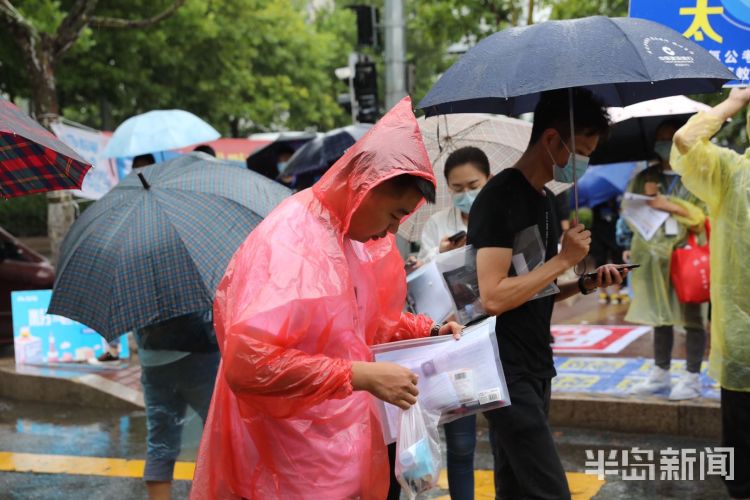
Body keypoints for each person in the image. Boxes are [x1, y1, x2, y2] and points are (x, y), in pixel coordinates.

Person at [190, 97, 462, 499]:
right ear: (367, 187)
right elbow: (248, 363)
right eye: (394, 214)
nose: (391, 231)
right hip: (287, 461)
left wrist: (431, 331)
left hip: (339, 445)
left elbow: (369, 321)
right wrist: (359, 374)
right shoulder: (290, 240)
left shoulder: (353, 239)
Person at [468, 88, 625, 499]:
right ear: (552, 140)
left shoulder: (545, 201)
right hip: (502, 368)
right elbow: (494, 297)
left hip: (536, 364)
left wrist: (585, 282)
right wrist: (562, 260)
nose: (584, 163)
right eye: (582, 151)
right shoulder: (500, 197)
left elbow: (536, 290)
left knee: (517, 487)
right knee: (551, 490)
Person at [671, 87, 750, 499]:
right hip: (742, 338)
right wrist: (733, 104)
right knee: (742, 451)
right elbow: (685, 142)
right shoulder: (731, 170)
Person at [417, 146, 491, 499]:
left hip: (497, 336)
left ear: (488, 180)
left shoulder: (501, 216)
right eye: (457, 188)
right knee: (461, 445)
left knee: (512, 436)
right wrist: (441, 253)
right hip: (455, 341)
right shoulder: (437, 225)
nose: (466, 194)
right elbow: (421, 287)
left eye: (473, 184)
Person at [625, 119, 708, 401]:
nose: (666, 144)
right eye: (660, 139)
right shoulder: (646, 176)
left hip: (686, 257)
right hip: (654, 259)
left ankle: (693, 376)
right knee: (660, 315)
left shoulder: (697, 174)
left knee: (693, 317)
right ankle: (661, 373)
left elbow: (703, 218)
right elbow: (630, 210)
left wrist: (669, 206)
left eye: (671, 138)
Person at [137, 310, 220, 500]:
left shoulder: (131, 284)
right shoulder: (186, 282)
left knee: (160, 441)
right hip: (199, 354)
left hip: (153, 361)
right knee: (220, 433)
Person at [590, 195, 627, 304]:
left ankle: (616, 292)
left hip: (614, 231)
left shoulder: (615, 195)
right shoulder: (593, 198)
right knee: (600, 261)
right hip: (598, 232)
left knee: (618, 261)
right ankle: (603, 293)